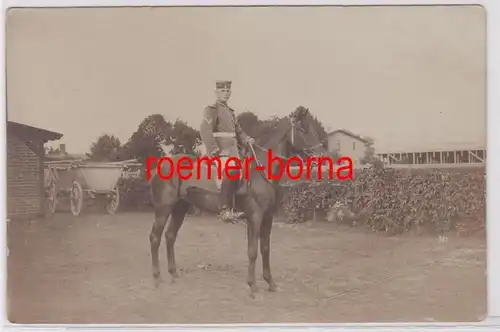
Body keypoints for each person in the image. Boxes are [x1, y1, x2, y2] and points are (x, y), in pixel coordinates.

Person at [200, 80, 255, 222]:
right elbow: (205, 130)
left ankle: (240, 206)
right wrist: (213, 148)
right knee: (232, 170)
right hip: (220, 150)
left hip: (233, 150)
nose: (225, 94)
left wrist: (247, 139)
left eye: (227, 91)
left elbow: (239, 131)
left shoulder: (230, 112)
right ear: (216, 92)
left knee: (246, 172)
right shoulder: (212, 109)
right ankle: (225, 210)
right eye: (222, 91)